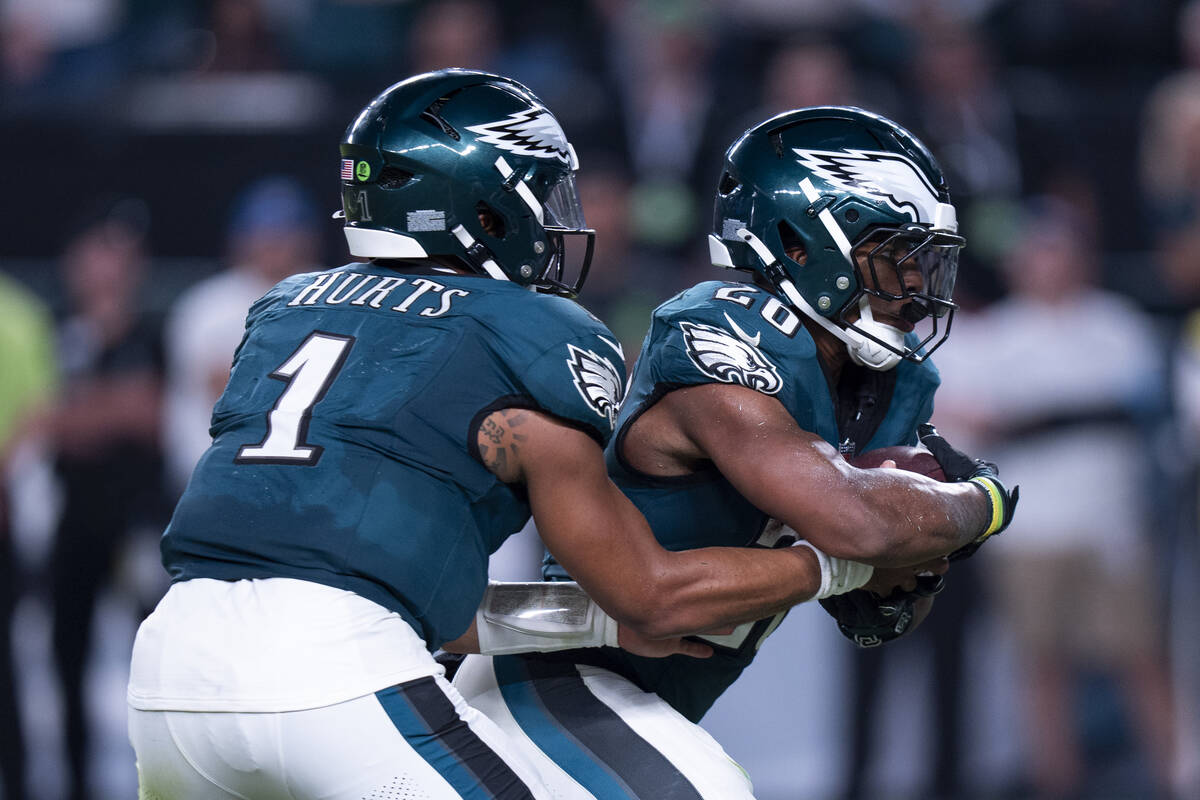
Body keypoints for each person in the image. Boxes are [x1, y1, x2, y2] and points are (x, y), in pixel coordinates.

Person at [126, 70, 925, 800]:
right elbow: (648, 592)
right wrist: (838, 563)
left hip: (169, 669)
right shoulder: (533, 330)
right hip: (339, 672)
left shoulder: (283, 307)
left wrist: (595, 618)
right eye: (546, 197)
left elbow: (401, 593)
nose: (557, 224)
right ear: (483, 206)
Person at [452, 106, 1018, 799]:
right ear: (802, 244)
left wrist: (913, 558)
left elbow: (884, 606)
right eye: (896, 253)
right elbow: (860, 530)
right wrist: (979, 504)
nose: (917, 287)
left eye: (926, 259)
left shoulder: (886, 379)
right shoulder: (727, 339)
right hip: (551, 682)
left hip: (635, 699)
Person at [46, 203, 165, 800]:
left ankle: (159, 782)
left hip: (140, 519)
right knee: (66, 657)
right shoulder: (56, 329)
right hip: (74, 518)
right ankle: (72, 786)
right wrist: (106, 407)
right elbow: (48, 421)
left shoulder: (153, 330)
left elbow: (152, 414)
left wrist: (90, 409)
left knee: (152, 660)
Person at [162, 175, 321, 494]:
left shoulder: (332, 295)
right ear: (241, 237)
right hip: (211, 479)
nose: (274, 242)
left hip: (305, 482)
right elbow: (226, 391)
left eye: (285, 231)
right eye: (264, 231)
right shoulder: (207, 304)